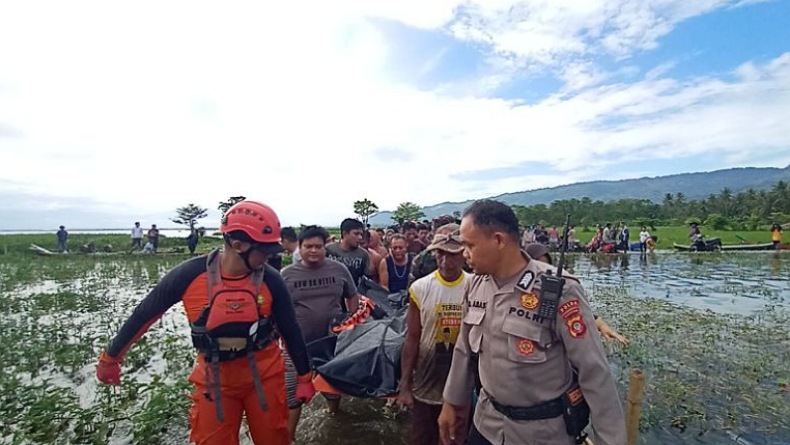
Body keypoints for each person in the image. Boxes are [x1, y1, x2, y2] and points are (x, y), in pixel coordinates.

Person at [95, 200, 315, 445]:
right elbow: (144, 315)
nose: (268, 258)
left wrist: (305, 377)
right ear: (238, 244)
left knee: (274, 440)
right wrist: (111, 358)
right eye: (263, 251)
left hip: (265, 377)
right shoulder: (189, 275)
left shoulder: (272, 279)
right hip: (215, 381)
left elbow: (290, 329)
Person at [438, 199, 626, 445]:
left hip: (541, 434)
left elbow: (594, 371)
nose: (464, 254)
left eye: (470, 245)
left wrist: (609, 440)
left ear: (498, 240)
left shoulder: (557, 290)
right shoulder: (476, 285)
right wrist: (452, 402)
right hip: (487, 424)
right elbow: (463, 350)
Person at [281, 225, 362, 440]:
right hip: (296, 346)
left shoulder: (338, 269)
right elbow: (276, 310)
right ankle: (289, 437)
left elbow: (352, 295)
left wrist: (351, 321)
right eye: (308, 246)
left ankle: (333, 417)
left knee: (332, 389)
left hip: (331, 343)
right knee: (291, 394)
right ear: (300, 248)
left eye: (318, 246)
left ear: (326, 246)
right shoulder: (287, 275)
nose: (314, 251)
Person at [398, 227, 471, 445]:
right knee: (421, 437)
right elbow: (412, 338)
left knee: (452, 439)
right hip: (426, 381)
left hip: (459, 382)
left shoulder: (475, 287)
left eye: (453, 255)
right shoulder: (420, 288)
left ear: (464, 254)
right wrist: (404, 386)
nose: (446, 262)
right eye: (441, 254)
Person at [525, 243, 629, 346]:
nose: (542, 272)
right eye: (539, 266)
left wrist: (602, 325)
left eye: (546, 267)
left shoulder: (558, 290)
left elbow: (578, 311)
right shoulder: (517, 289)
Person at [325, 218, 372, 287]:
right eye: (356, 234)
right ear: (345, 234)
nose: (360, 237)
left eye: (361, 234)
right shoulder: (328, 250)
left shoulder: (363, 254)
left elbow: (366, 279)